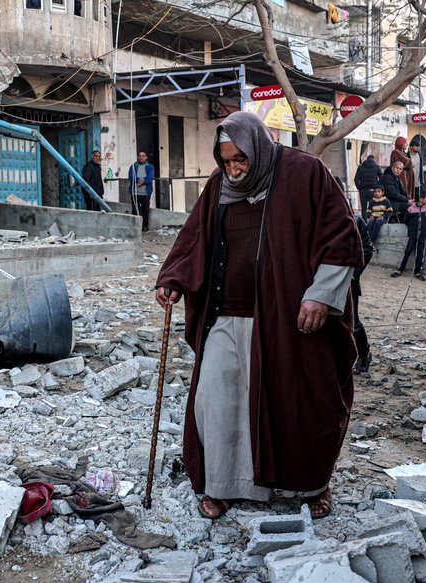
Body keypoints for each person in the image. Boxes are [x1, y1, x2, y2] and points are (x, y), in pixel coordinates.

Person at [154, 111, 363, 521]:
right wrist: (174, 279)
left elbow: (340, 237)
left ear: (258, 148)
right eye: (226, 160)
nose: (234, 169)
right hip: (227, 315)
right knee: (216, 399)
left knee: (301, 402)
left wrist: (320, 296)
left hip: (290, 319)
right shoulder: (219, 187)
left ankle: (312, 485)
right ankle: (223, 487)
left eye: (240, 160)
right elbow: (193, 237)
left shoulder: (306, 174)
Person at [390, 191, 426, 280]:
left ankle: (417, 272)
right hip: (412, 235)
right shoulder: (411, 209)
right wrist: (412, 228)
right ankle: (400, 269)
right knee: (407, 251)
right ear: (421, 199)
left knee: (420, 253)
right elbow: (405, 220)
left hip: (422, 235)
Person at [352, 215, 374, 373]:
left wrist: (353, 273)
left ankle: (364, 355)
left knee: (353, 322)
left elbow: (367, 249)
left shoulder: (356, 221)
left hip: (348, 281)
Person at [128, 151, 154, 232]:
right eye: (140, 156)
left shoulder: (150, 166)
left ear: (146, 157)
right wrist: (139, 180)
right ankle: (135, 227)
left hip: (145, 193)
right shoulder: (133, 166)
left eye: (143, 156)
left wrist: (142, 182)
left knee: (145, 210)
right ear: (138, 157)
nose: (141, 157)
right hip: (135, 192)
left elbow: (150, 178)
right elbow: (131, 176)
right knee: (135, 210)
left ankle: (145, 226)